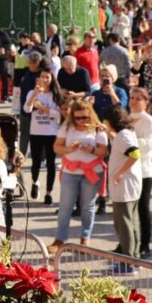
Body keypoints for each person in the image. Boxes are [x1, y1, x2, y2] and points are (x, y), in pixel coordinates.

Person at [50, 101, 108, 250]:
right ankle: (60, 238)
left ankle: (85, 237)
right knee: (65, 206)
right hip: (71, 171)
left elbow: (104, 152)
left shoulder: (97, 128)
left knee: (87, 206)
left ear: (90, 115)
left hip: (92, 172)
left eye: (85, 117)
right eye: (78, 118)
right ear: (72, 117)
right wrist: (69, 149)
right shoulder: (67, 127)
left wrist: (92, 150)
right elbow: (56, 147)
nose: (82, 121)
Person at [103, 105, 143, 274]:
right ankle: (134, 258)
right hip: (131, 186)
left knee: (124, 224)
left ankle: (128, 262)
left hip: (124, 187)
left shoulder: (123, 136)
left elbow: (134, 154)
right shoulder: (125, 134)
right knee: (132, 222)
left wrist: (119, 173)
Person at [128, 88, 152, 258]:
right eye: (132, 98)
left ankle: (145, 244)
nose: (134, 101)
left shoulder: (149, 122)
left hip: (144, 171)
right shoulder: (126, 118)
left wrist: (129, 138)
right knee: (127, 210)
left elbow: (148, 145)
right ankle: (126, 243)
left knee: (142, 209)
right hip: (127, 170)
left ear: (146, 102)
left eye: (139, 98)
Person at [23, 67, 62, 204]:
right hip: (36, 132)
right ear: (38, 78)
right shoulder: (32, 93)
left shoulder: (56, 95)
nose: (45, 80)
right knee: (35, 162)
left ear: (52, 79)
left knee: (51, 164)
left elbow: (59, 115)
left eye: (47, 77)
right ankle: (35, 182)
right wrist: (34, 94)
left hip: (51, 132)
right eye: (42, 77)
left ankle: (49, 193)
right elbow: (26, 109)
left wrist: (42, 108)